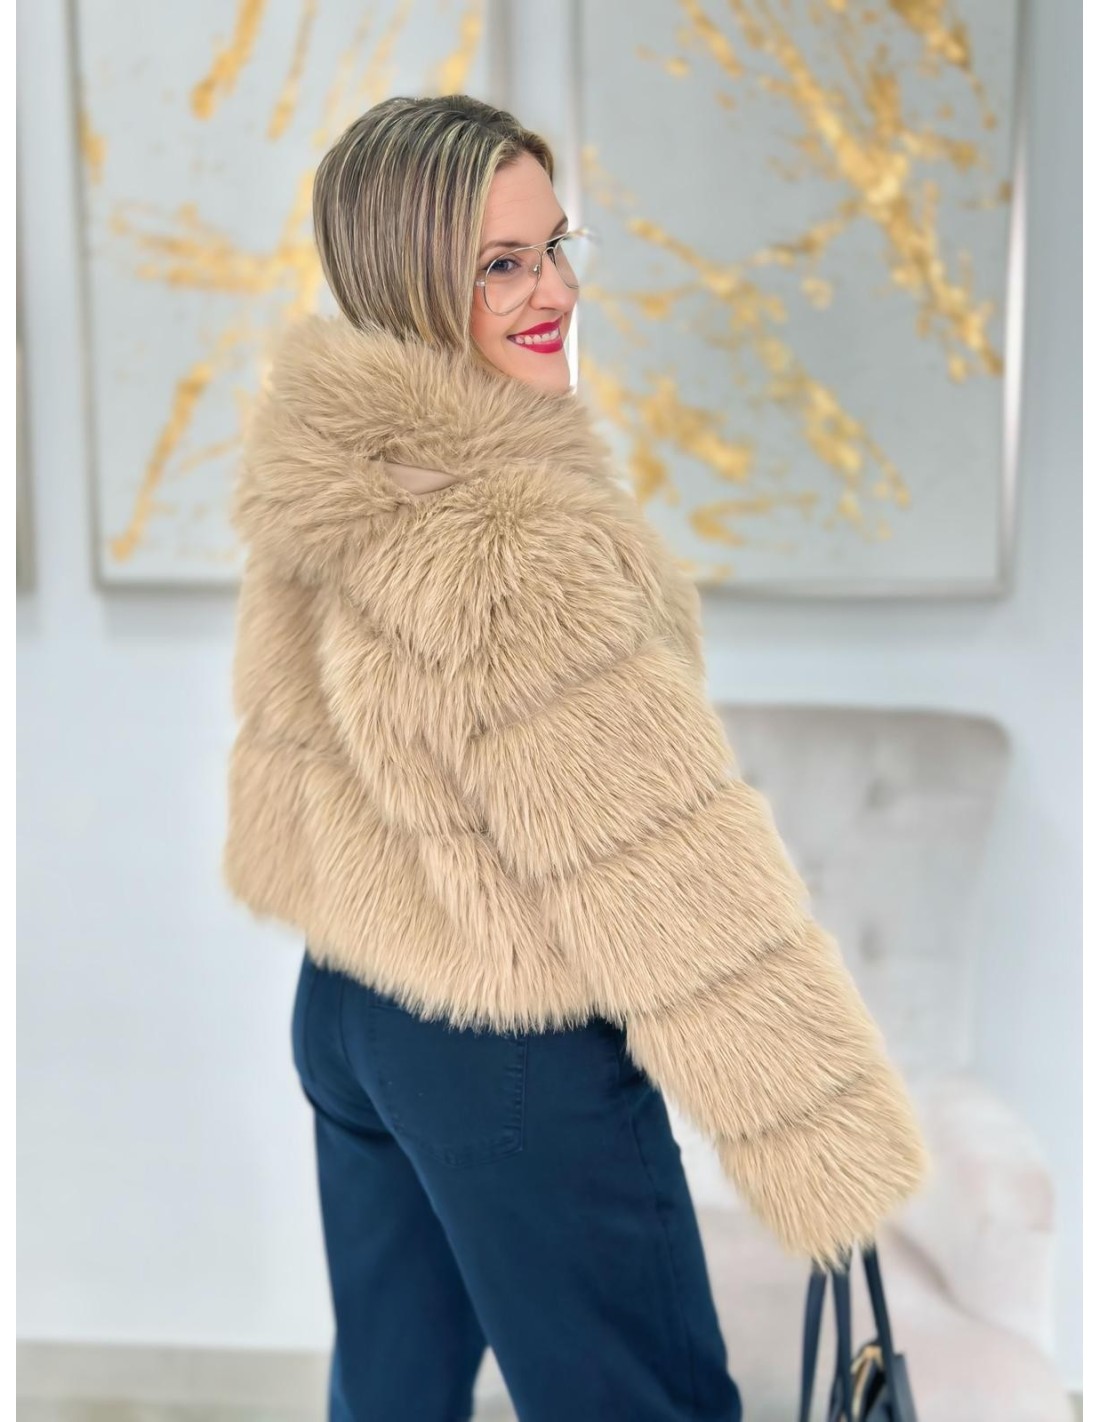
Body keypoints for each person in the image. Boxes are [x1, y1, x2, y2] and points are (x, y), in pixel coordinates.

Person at [224, 94, 930, 1422]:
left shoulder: (325, 470)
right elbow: (669, 875)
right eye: (501, 263)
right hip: (509, 1046)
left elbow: (304, 753)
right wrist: (820, 1133)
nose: (554, 290)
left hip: (350, 1007)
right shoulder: (517, 543)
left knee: (389, 1397)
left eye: (554, 245)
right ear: (408, 279)